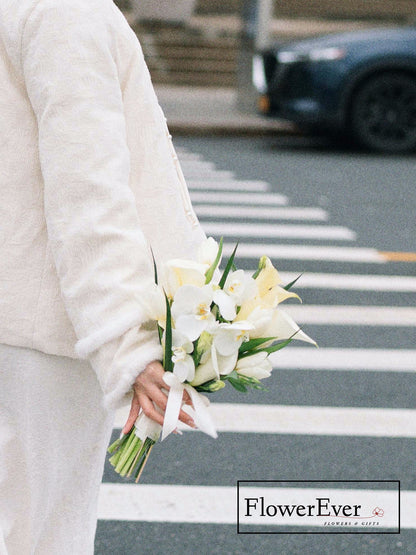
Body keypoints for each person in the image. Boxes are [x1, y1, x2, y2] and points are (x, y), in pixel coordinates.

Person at [0, 0, 205, 553]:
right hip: (45, 340)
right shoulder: (65, 13)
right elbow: (88, 191)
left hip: (18, 320)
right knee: (40, 537)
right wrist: (127, 344)